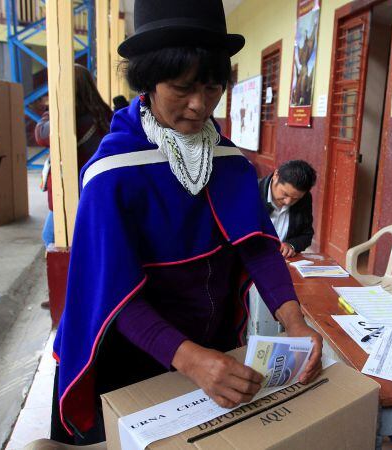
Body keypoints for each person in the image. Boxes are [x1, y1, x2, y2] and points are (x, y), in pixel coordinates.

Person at [50, 0, 322, 444]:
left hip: (207, 343)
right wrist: (190, 359)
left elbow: (256, 247)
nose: (200, 105)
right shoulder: (112, 173)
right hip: (132, 353)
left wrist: (294, 320)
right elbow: (112, 295)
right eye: (181, 88)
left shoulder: (228, 161)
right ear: (146, 80)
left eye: (213, 88)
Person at [36, 66, 113, 247]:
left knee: (51, 238)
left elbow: (41, 135)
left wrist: (51, 111)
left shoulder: (64, 117)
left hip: (70, 190)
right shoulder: (103, 113)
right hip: (96, 186)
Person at [258, 160, 316, 258]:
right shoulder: (252, 191)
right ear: (276, 175)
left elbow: (306, 235)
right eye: (285, 194)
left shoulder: (305, 198)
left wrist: (291, 245)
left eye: (295, 198)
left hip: (283, 261)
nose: (288, 202)